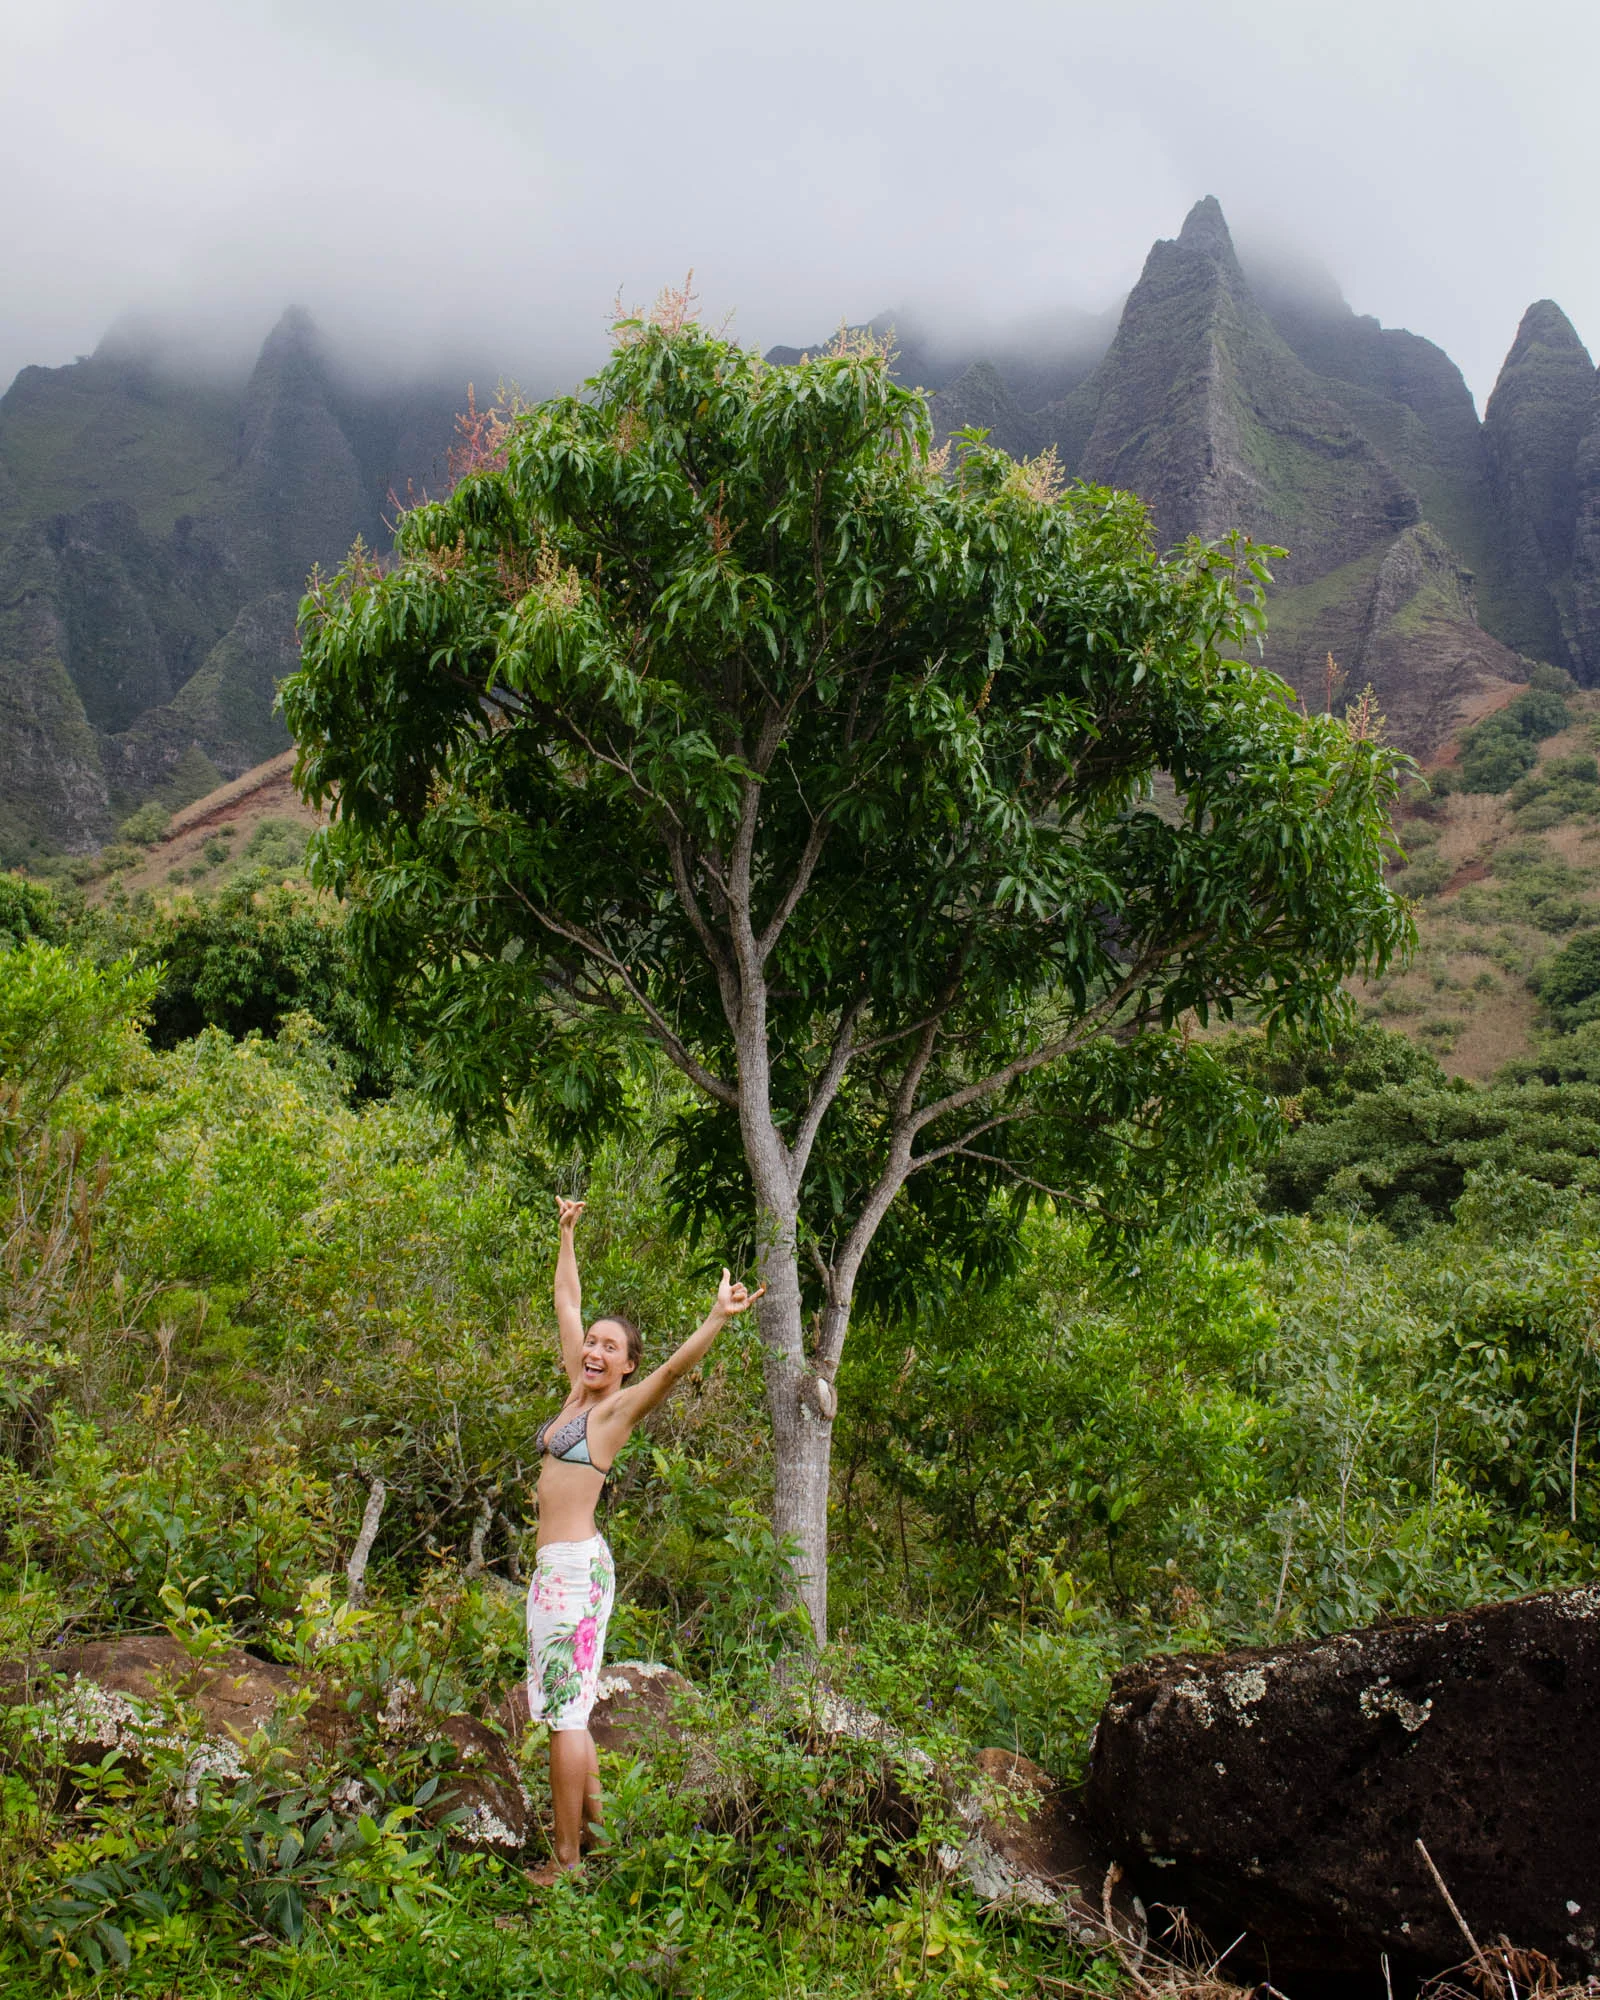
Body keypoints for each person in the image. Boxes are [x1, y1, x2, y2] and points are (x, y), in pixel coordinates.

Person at [524, 1195, 763, 1884]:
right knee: (568, 1706)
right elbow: (567, 1304)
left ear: (628, 1365)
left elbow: (674, 1373)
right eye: (593, 1343)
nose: (594, 1349)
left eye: (609, 1347)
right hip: (560, 1569)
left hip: (572, 1568)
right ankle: (597, 1839)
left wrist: (716, 1318)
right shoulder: (578, 1390)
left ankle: (566, 1860)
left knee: (567, 1717)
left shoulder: (616, 1411)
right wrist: (567, 1234)